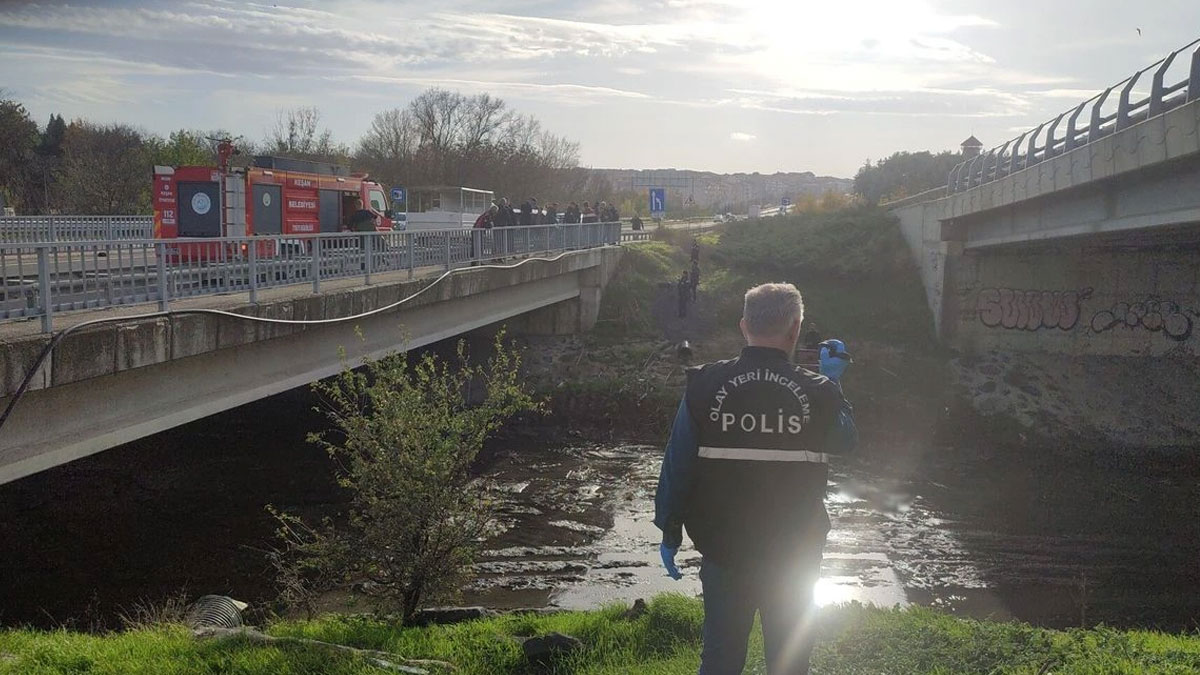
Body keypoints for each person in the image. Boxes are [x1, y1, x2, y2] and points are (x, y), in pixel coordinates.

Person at [654, 283, 857, 675]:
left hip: (725, 551)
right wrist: (834, 382)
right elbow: (845, 441)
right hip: (795, 555)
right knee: (789, 662)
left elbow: (677, 464)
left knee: (720, 661)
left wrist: (670, 530)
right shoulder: (819, 391)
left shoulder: (704, 384)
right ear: (795, 329)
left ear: (744, 326)